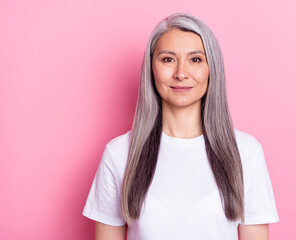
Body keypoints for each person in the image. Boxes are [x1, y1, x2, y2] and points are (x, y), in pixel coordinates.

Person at [82, 13, 279, 240]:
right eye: (168, 59)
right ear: (151, 69)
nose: (181, 73)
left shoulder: (246, 152)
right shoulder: (119, 154)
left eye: (195, 59)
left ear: (211, 68)